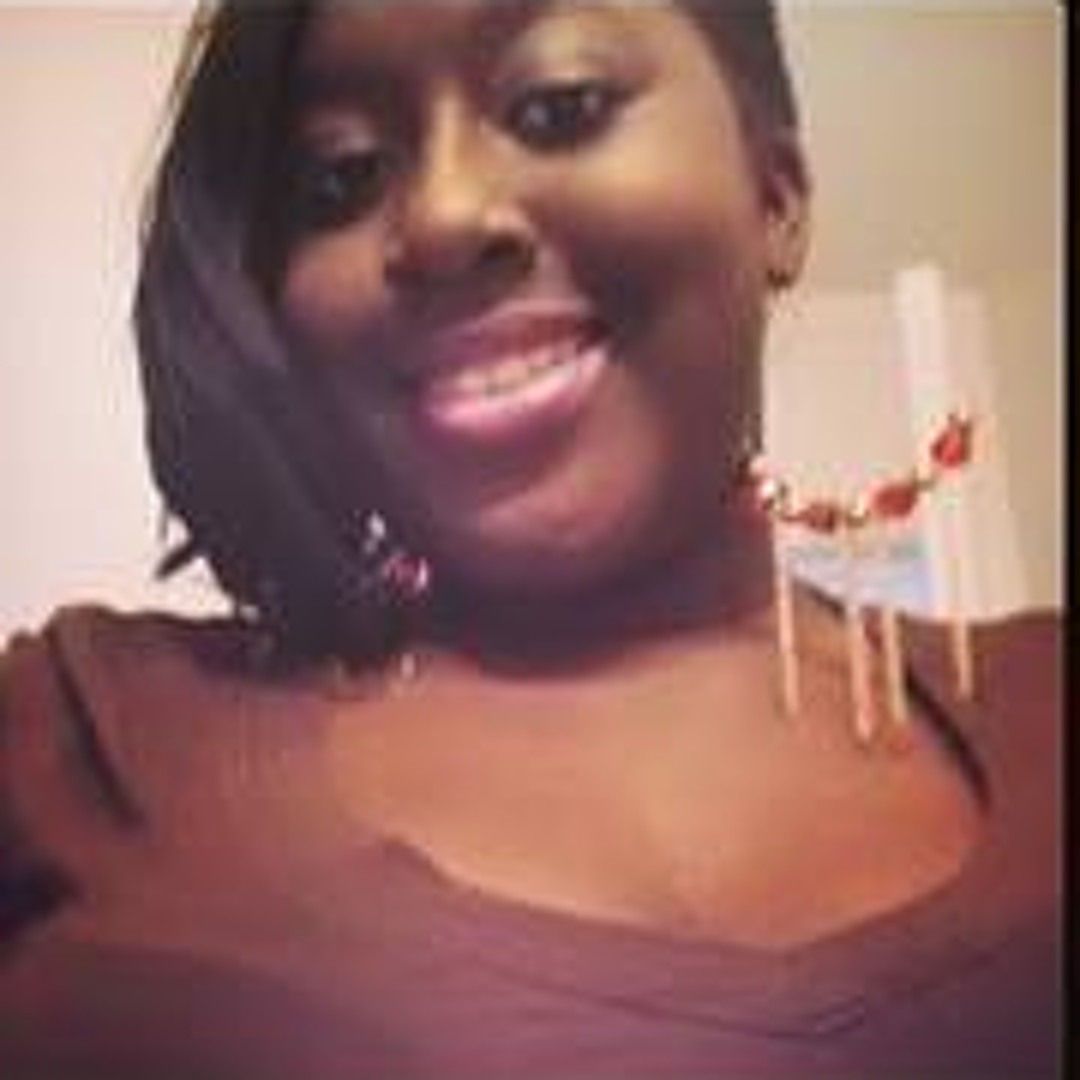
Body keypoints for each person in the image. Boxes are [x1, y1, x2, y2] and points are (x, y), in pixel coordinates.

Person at [0, 2, 1060, 1077]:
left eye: (560, 107)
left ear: (775, 198)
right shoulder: (78, 732)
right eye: (340, 178)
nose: (445, 216)